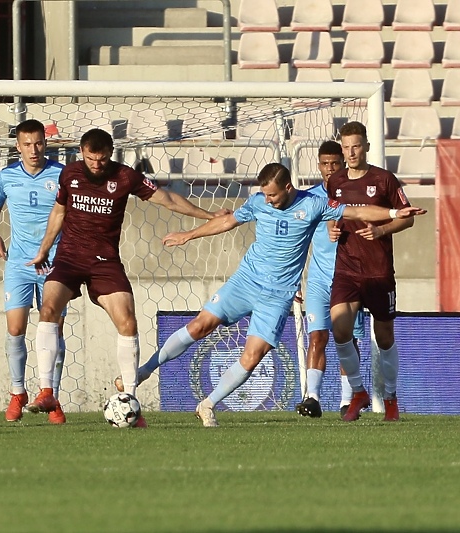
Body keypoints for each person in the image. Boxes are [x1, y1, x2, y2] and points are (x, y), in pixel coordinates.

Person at [120, 163, 424, 428]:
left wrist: (395, 212)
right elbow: (227, 221)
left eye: (273, 195)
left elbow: (357, 211)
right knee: (201, 325)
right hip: (246, 281)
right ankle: (143, 372)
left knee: (253, 356)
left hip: (277, 296)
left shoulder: (314, 204)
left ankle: (207, 405)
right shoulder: (258, 203)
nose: (268, 200)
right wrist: (189, 234)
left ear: (288, 188)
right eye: (264, 194)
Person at [26, 128, 225, 426]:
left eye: (102, 159)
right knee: (48, 309)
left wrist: (209, 215)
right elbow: (58, 212)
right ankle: (46, 391)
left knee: (128, 322)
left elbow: (168, 199)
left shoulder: (125, 177)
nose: (96, 165)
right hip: (69, 257)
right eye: (91, 158)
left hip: (105, 262)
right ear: (82, 152)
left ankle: (131, 399)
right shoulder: (69, 174)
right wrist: (44, 250)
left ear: (110, 155)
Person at [328, 121, 416, 423]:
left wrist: (381, 230)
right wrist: (332, 229)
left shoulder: (384, 180)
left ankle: (390, 397)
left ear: (366, 146)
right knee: (340, 330)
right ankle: (358, 392)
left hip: (378, 271)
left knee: (384, 336)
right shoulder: (335, 181)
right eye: (346, 147)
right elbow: (333, 215)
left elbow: (408, 219)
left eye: (356, 146)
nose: (351, 152)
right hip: (347, 269)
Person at [0, 119, 68, 424]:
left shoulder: (61, 175)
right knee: (16, 329)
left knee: (54, 330)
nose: (34, 149)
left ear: (44, 145)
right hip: (19, 263)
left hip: (55, 263)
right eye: (27, 144)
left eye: (39, 143)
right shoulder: (6, 178)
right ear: (17, 147)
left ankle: (52, 396)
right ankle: (18, 392)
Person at [294, 141, 364, 418]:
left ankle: (348, 401)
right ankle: (312, 398)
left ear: (343, 164)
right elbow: (297, 243)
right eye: (325, 163)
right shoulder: (309, 198)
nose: (329, 169)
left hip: (349, 278)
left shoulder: (355, 196)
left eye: (335, 163)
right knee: (317, 336)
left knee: (348, 340)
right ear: (318, 165)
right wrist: (294, 279)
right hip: (319, 281)